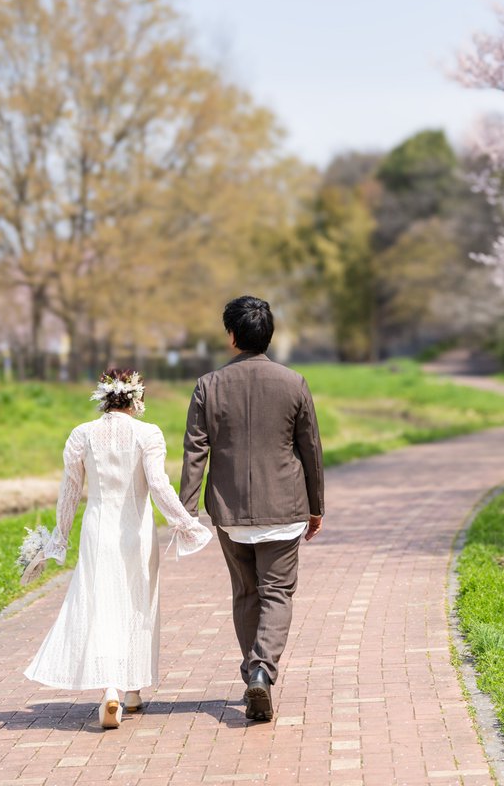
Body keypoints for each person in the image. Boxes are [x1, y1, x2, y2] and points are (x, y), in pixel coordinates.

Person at [24, 369, 213, 729]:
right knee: (138, 603)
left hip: (97, 530)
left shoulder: (82, 434)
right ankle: (131, 690)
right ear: (137, 400)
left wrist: (58, 540)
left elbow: (69, 492)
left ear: (104, 398)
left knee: (101, 604)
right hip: (135, 533)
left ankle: (113, 688)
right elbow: (157, 484)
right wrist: (185, 524)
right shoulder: (148, 434)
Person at [180, 296, 325, 722]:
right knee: (277, 593)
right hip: (286, 506)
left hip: (230, 512)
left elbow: (195, 451)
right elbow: (310, 449)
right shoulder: (294, 382)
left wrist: (187, 510)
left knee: (246, 592)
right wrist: (317, 507)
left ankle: (253, 672)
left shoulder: (208, 386)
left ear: (231, 336)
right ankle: (262, 669)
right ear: (270, 335)